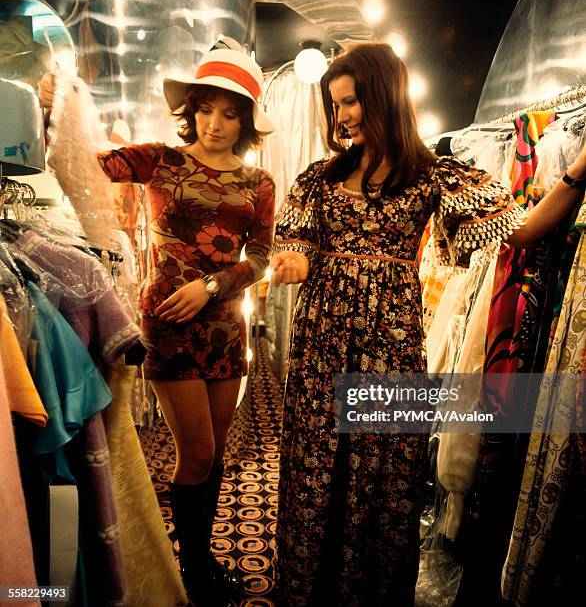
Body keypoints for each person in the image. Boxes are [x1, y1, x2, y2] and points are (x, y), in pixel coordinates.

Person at [270, 42, 586, 606]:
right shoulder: (318, 178)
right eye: (335, 105)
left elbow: (519, 232)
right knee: (316, 468)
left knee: (381, 474)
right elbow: (293, 244)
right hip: (319, 343)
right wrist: (294, 260)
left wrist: (578, 175)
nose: (341, 117)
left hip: (390, 342)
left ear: (383, 95)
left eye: (351, 102)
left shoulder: (435, 175)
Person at [39, 46, 276, 607]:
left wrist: (214, 286)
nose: (215, 124)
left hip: (223, 324)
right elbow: (79, 163)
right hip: (169, 320)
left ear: (244, 122)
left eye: (230, 113)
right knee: (194, 451)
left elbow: (262, 257)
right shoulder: (160, 159)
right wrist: (56, 109)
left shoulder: (259, 181)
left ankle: (205, 558)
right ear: (189, 111)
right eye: (206, 110)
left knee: (214, 452)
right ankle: (192, 569)